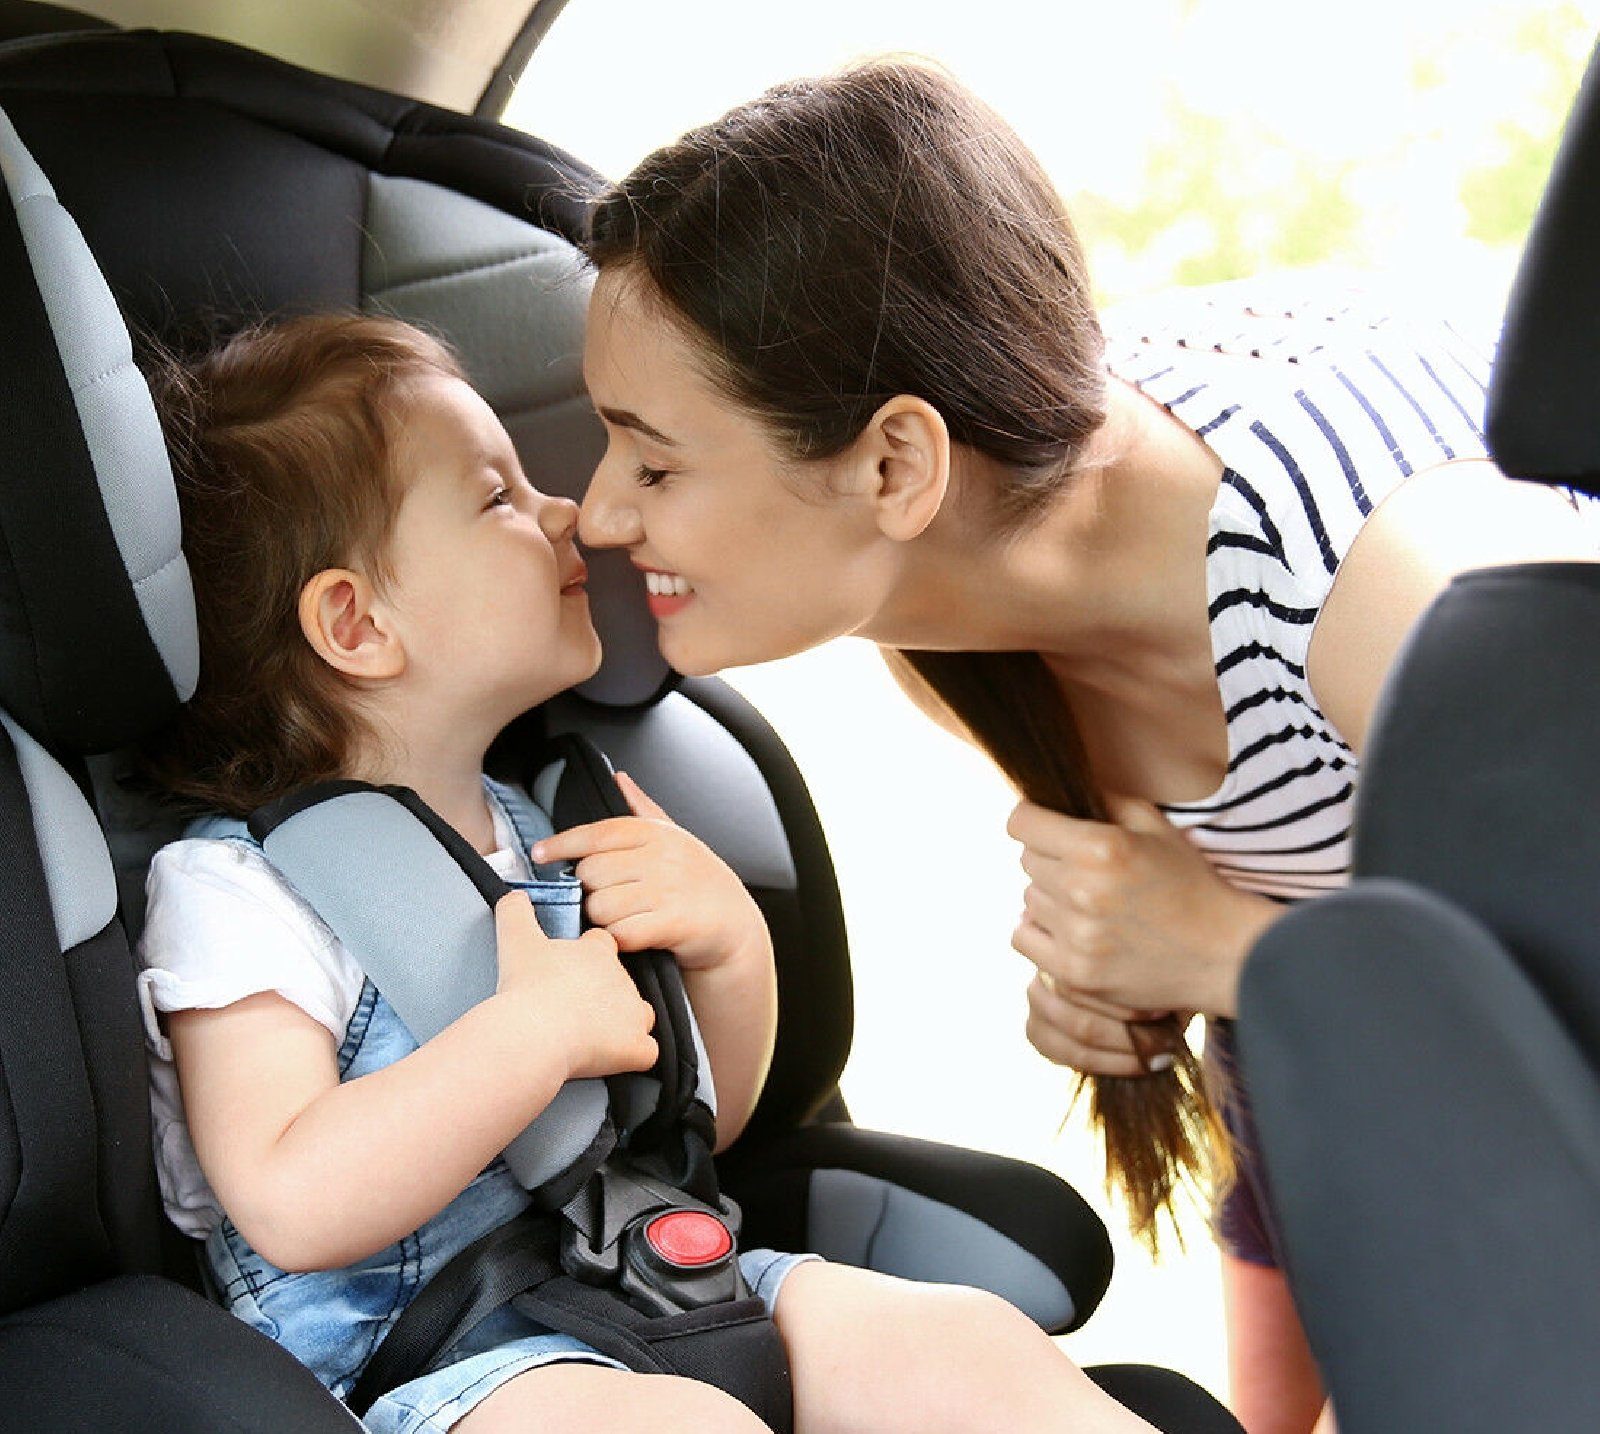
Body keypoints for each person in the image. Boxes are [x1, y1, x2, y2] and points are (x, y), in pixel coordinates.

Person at [567, 58, 1600, 1434]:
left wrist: (1232, 949)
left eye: (652, 459)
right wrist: (1168, 960)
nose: (595, 513)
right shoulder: (951, 599)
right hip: (1370, 1093)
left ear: (894, 467)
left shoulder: (1369, 582)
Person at [132, 312, 1160, 1434]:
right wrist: (528, 1036)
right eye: (497, 498)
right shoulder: (241, 893)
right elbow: (289, 1199)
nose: (565, 511)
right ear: (357, 623)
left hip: (654, 1288)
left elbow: (693, 1126)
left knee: (963, 1347)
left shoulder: (561, 821)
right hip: (431, 1374)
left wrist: (728, 946)